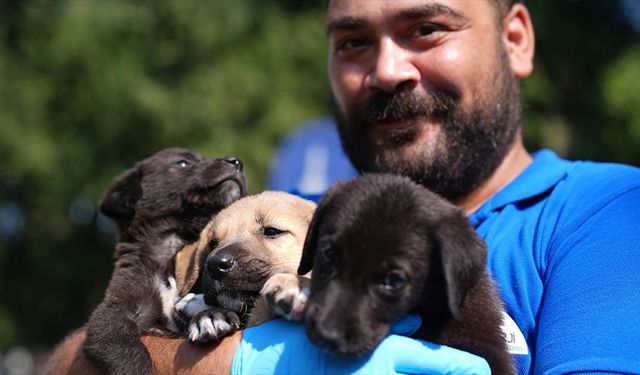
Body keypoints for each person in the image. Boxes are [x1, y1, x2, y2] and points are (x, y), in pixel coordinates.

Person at [49, 0, 640, 374]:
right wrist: (242, 362)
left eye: (427, 28)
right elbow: (65, 365)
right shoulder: (312, 218)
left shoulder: (604, 215)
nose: (387, 70)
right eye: (353, 42)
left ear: (516, 39)